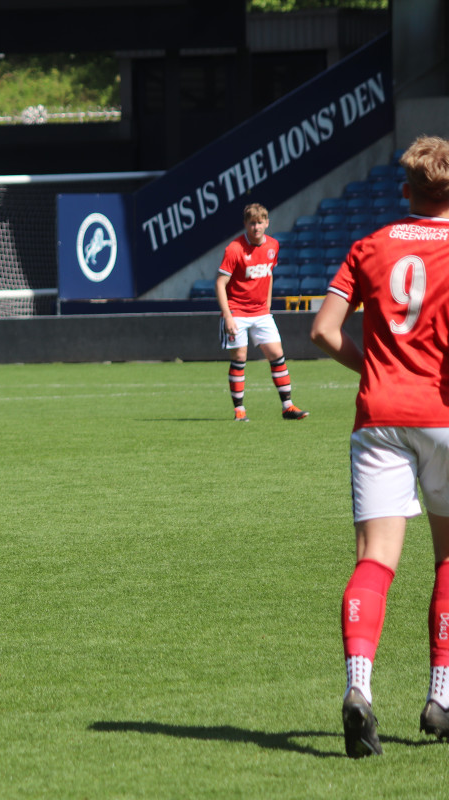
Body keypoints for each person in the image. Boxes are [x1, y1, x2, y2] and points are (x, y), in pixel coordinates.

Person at [310, 135, 449, 757]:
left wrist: (376, 368)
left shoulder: (370, 245)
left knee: (375, 559)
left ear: (406, 188)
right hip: (443, 416)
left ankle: (358, 688)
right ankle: (442, 696)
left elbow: (322, 331)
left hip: (378, 415)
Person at [216, 203, 308, 422]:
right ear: (245, 224)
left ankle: (287, 407)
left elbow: (268, 274)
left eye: (259, 222)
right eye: (252, 223)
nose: (256, 227)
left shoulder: (273, 245)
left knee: (277, 355)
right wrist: (228, 316)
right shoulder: (234, 249)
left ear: (267, 223)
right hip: (237, 311)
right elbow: (220, 283)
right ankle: (239, 411)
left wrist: (267, 305)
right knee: (240, 358)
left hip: (261, 312)